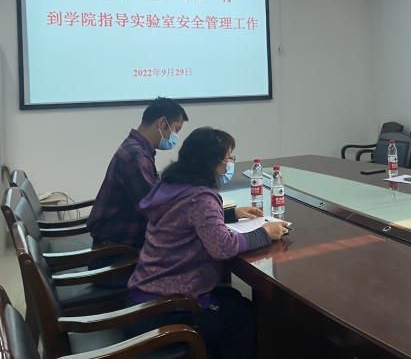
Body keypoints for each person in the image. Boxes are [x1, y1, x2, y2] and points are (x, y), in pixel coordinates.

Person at [128, 126, 287, 358]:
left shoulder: (171, 185)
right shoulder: (201, 197)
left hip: (145, 296)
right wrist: (264, 233)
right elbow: (223, 247)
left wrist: (230, 214)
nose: (230, 164)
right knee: (243, 316)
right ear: (211, 162)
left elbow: (186, 220)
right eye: (228, 158)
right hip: (170, 308)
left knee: (233, 298)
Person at [87, 97, 189, 250]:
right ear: (162, 123)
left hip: (119, 237)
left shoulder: (137, 148)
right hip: (118, 248)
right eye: (176, 129)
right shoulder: (136, 156)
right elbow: (155, 208)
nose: (176, 136)